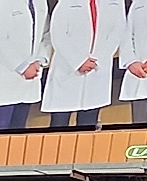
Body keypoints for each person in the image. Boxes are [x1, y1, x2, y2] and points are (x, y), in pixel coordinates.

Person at [43, 0, 128, 128]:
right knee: (59, 124)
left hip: (96, 70)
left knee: (88, 122)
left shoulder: (115, 2)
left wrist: (96, 59)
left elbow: (117, 31)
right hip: (69, 70)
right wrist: (78, 61)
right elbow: (58, 33)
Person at [0, 0, 50, 129]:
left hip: (32, 75)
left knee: (19, 127)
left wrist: (40, 60)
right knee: (1, 127)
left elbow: (46, 34)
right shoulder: (4, 3)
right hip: (10, 76)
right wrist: (22, 67)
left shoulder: (41, 2)